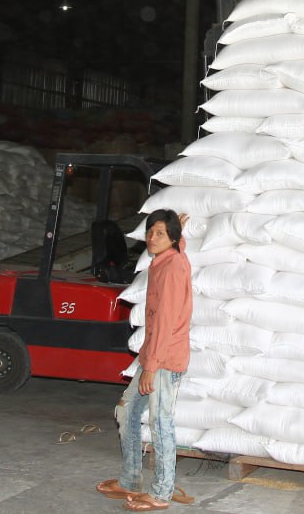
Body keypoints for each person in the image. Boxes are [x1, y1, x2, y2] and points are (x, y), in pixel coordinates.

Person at [96, 209, 192, 512]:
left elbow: (165, 321)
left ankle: (161, 493)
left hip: (164, 359)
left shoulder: (172, 268)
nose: (151, 238)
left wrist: (151, 368)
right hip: (152, 354)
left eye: (160, 233)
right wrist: (177, 235)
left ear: (171, 239)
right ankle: (130, 480)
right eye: (150, 232)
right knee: (126, 411)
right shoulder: (165, 260)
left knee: (161, 423)